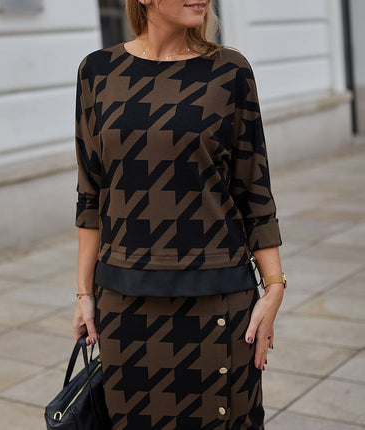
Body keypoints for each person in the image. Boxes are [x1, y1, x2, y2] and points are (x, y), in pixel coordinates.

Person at [72, 0, 286, 428]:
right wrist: (84, 294)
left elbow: (254, 190)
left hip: (217, 300)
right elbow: (91, 195)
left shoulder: (230, 71)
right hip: (125, 305)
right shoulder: (98, 72)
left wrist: (275, 287)